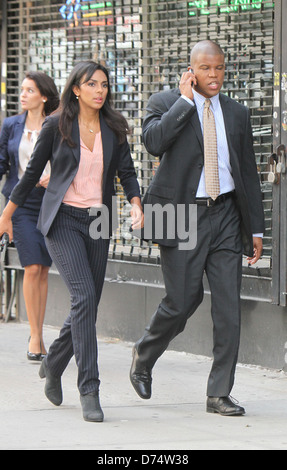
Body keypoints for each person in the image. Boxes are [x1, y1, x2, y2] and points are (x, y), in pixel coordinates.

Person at [0, 61, 143, 422]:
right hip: (62, 218)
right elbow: (31, 174)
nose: (100, 90)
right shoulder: (56, 125)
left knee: (88, 305)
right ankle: (89, 388)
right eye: (91, 84)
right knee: (83, 296)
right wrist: (6, 213)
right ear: (76, 89)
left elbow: (126, 172)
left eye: (105, 85)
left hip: (98, 220)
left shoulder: (113, 127)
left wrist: (136, 204)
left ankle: (53, 362)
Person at [130, 40, 265, 417]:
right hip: (181, 215)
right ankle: (144, 354)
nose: (214, 76)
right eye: (206, 68)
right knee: (183, 300)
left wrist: (255, 227)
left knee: (228, 308)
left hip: (225, 215)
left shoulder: (237, 113)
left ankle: (218, 392)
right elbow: (154, 143)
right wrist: (185, 101)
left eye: (220, 68)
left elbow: (249, 174)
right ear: (191, 70)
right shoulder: (165, 102)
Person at [0, 71, 59, 360]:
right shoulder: (10, 125)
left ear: (44, 96)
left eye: (29, 90)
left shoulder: (58, 125)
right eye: (21, 90)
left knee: (44, 269)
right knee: (32, 267)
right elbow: (2, 163)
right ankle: (35, 337)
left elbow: (69, 161)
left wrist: (55, 177)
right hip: (20, 203)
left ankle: (37, 330)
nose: (22, 95)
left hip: (50, 202)